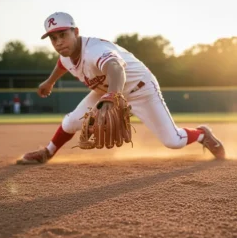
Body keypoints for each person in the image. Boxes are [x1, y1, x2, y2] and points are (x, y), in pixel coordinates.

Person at [17, 12, 225, 164]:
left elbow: (116, 68)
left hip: (141, 91)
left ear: (75, 32)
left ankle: (201, 134)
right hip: (106, 92)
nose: (58, 42)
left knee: (173, 141)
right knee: (71, 121)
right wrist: (50, 81)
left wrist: (112, 95)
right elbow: (63, 63)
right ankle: (48, 152)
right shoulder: (66, 54)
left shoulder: (95, 51)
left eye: (63, 34)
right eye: (53, 38)